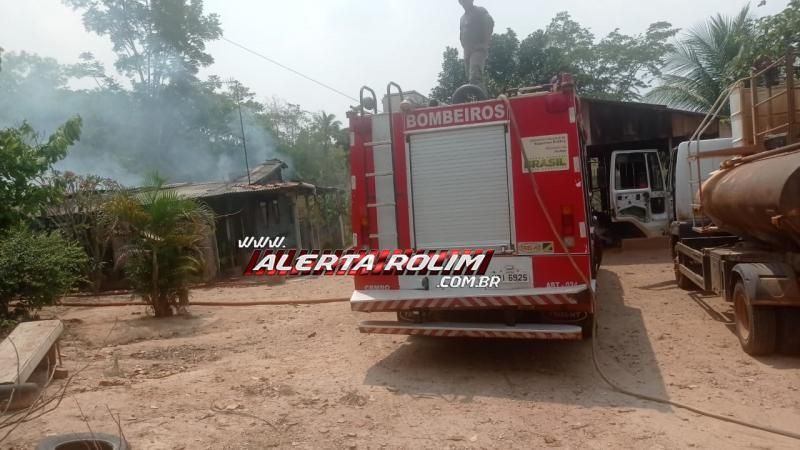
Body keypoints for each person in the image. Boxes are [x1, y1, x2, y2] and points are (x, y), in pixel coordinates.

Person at [459, 0, 494, 89]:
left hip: (478, 48)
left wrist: (485, 41)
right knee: (469, 78)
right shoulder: (462, 18)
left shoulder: (480, 11)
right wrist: (464, 44)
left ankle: (481, 99)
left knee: (475, 75)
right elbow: (462, 33)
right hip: (467, 50)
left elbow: (490, 22)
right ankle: (475, 97)